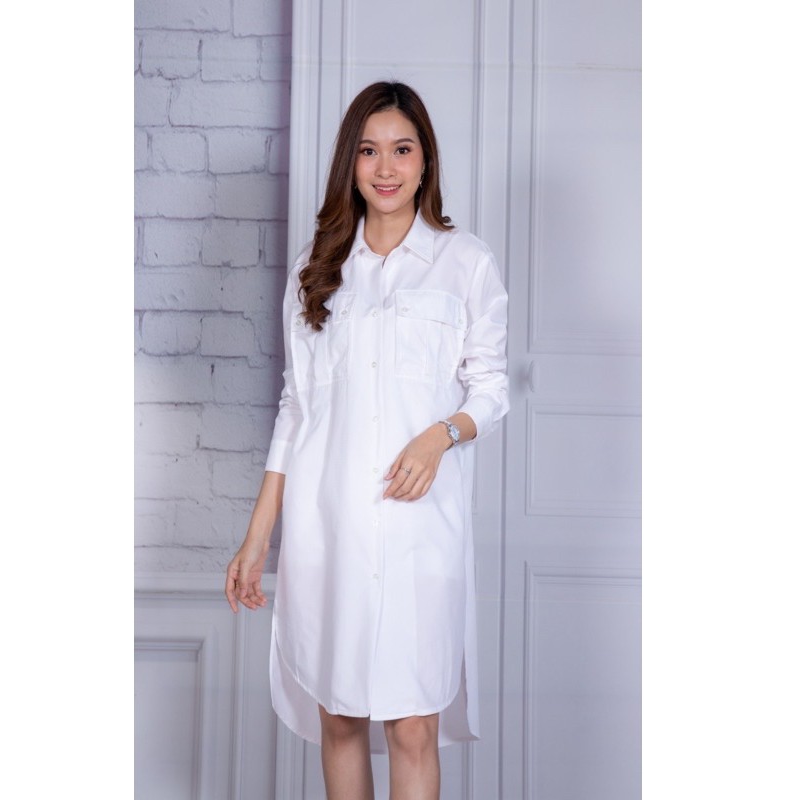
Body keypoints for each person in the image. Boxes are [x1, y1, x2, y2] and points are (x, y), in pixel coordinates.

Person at [225, 81, 509, 800]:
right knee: (342, 716)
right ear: (349, 163)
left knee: (413, 724)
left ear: (425, 160)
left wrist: (440, 436)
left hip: (421, 526)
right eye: (369, 151)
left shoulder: (465, 262)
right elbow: (296, 407)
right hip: (330, 524)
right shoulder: (315, 269)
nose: (386, 168)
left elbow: (491, 388)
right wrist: (258, 538)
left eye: (402, 150)